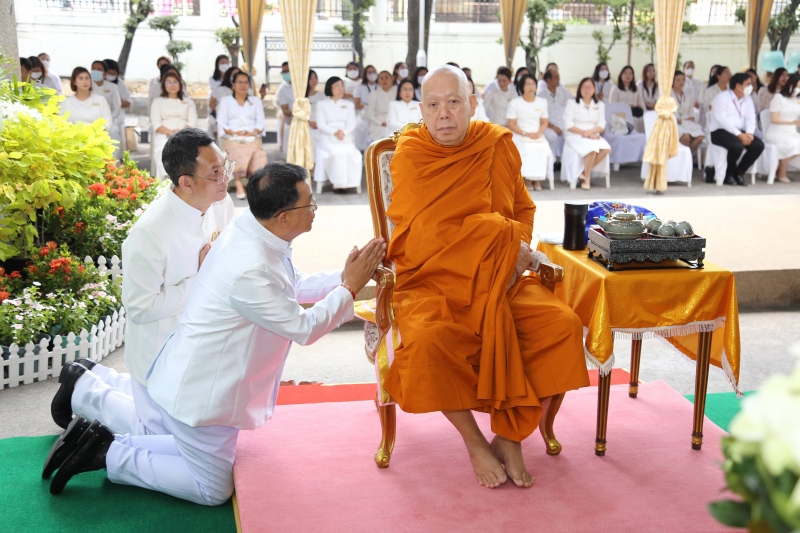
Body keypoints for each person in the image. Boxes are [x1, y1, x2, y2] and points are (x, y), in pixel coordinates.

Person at [44, 162, 386, 504]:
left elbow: (290, 286)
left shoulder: (252, 228)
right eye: (310, 204)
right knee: (212, 489)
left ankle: (92, 417)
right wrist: (350, 288)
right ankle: (106, 452)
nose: (315, 210)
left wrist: (344, 278)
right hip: (205, 391)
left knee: (166, 435)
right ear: (283, 216)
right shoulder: (251, 267)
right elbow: (303, 328)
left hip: (194, 373)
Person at [382, 65, 589, 489]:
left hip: (501, 280)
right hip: (435, 284)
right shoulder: (411, 156)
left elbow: (522, 209)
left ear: (473, 104)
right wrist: (499, 243)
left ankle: (510, 435)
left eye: (454, 102)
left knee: (561, 326)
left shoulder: (495, 145)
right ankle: (475, 442)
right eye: (434, 105)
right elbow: (423, 236)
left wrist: (512, 252)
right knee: (426, 341)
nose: (444, 115)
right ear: (421, 110)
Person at [46, 129, 235, 440]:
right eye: (215, 172)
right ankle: (83, 389)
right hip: (160, 352)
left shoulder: (220, 202)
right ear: (185, 182)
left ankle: (94, 375)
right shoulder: (150, 232)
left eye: (225, 166)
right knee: (158, 436)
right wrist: (202, 280)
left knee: (201, 426)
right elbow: (139, 308)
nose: (225, 178)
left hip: (203, 342)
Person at [218, 71, 267, 199]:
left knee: (259, 155)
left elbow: (260, 121)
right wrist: (233, 132)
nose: (243, 85)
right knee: (236, 151)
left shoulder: (255, 101)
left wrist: (254, 132)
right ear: (233, 85)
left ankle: (254, 185)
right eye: (239, 82)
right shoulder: (226, 101)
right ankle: (239, 184)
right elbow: (222, 121)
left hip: (251, 137)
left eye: (245, 82)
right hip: (233, 138)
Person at [709, 72, 763, 186]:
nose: (751, 87)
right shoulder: (722, 98)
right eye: (748, 84)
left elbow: (751, 118)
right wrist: (739, 135)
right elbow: (722, 120)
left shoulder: (747, 99)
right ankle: (729, 174)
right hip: (720, 131)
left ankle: (739, 172)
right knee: (736, 146)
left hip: (739, 132)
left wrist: (749, 133)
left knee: (758, 145)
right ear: (738, 86)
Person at [314, 77, 363, 193]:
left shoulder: (349, 105)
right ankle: (338, 183)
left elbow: (352, 123)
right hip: (327, 137)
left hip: (345, 137)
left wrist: (344, 133)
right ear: (329, 88)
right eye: (337, 86)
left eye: (342, 86)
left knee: (353, 154)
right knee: (337, 153)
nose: (340, 89)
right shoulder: (321, 104)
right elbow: (321, 124)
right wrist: (334, 132)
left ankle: (349, 183)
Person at [564, 77, 611, 190]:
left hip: (593, 135)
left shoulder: (600, 105)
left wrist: (592, 132)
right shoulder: (572, 103)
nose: (587, 90)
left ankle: (584, 173)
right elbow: (568, 124)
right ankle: (587, 179)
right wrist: (584, 133)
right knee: (592, 149)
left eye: (590, 87)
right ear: (579, 89)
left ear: (594, 90)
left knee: (606, 148)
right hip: (575, 134)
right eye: (584, 87)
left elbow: (601, 125)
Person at [151, 71, 199, 180]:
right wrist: (171, 132)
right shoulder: (158, 102)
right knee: (161, 148)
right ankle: (168, 176)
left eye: (175, 82)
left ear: (180, 84)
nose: (172, 85)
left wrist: (180, 133)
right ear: (163, 85)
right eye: (168, 82)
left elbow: (192, 121)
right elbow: (156, 123)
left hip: (185, 133)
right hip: (164, 133)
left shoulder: (188, 102)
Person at [506, 74, 550, 191]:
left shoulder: (542, 102)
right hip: (520, 133)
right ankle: (527, 179)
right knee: (527, 148)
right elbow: (511, 124)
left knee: (542, 147)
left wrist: (538, 133)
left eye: (533, 84)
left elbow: (544, 122)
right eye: (527, 84)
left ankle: (537, 180)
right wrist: (526, 133)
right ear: (522, 86)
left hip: (537, 134)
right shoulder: (515, 102)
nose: (531, 86)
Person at [765, 72, 800, 183]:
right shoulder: (778, 97)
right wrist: (791, 122)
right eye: (798, 86)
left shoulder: (797, 100)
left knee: (795, 143)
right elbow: (774, 119)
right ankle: (782, 173)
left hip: (792, 132)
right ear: (791, 85)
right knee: (791, 144)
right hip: (776, 132)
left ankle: (779, 166)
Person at [59, 67, 114, 135]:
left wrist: (96, 131)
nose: (84, 81)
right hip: (73, 140)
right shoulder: (66, 102)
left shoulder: (100, 100)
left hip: (96, 140)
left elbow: (108, 122)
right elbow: (60, 123)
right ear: (74, 82)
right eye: (81, 78)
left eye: (87, 78)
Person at [538, 68, 571, 167]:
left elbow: (575, 102)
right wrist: (553, 127)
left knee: (571, 137)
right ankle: (551, 164)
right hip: (548, 126)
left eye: (558, 76)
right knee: (551, 136)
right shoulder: (541, 96)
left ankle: (566, 164)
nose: (559, 79)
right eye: (556, 77)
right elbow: (539, 117)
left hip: (564, 125)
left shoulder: (564, 92)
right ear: (548, 80)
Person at [91, 60, 123, 158]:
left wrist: (108, 120)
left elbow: (117, 107)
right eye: (94, 68)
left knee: (114, 134)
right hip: (90, 120)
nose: (96, 71)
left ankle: (113, 165)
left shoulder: (112, 87)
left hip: (109, 120)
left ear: (105, 73)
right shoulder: (86, 85)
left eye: (99, 69)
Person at [672, 71, 705, 153]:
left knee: (700, 136)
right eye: (678, 80)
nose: (681, 82)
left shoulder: (688, 94)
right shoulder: (668, 94)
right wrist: (676, 119)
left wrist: (692, 117)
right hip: (674, 122)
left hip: (686, 121)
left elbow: (691, 111)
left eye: (683, 79)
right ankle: (686, 159)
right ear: (672, 81)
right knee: (685, 136)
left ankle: (688, 156)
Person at [104, 59, 131, 156]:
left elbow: (128, 102)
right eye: (109, 73)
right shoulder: (94, 84)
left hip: (116, 117)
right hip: (99, 117)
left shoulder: (120, 84)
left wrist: (115, 103)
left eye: (113, 73)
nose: (111, 75)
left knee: (115, 139)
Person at [610, 65, 645, 133]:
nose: (628, 76)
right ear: (621, 75)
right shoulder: (616, 89)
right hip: (622, 114)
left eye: (630, 74)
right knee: (633, 120)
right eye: (626, 73)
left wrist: (640, 109)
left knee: (642, 120)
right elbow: (613, 105)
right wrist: (627, 108)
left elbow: (641, 103)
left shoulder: (636, 89)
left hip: (635, 112)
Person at [366, 70, 398, 142]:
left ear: (391, 79)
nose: (384, 80)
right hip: (378, 124)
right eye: (381, 78)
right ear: (378, 81)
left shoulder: (397, 92)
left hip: (395, 121)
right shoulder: (374, 94)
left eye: (387, 78)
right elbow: (370, 114)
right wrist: (380, 123)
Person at [353, 65, 378, 150]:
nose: (372, 74)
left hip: (376, 116)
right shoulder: (360, 86)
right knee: (360, 139)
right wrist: (367, 106)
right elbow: (356, 104)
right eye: (369, 72)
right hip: (363, 116)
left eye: (374, 72)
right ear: (365, 74)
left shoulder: (379, 86)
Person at [307, 69, 327, 156]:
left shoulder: (322, 95)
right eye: (311, 78)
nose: (313, 81)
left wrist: (319, 123)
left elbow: (326, 112)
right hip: (306, 126)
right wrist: (309, 122)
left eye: (315, 78)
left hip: (320, 126)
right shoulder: (301, 96)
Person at [277, 62, 294, 154]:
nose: (285, 74)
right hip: (291, 122)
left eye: (287, 71)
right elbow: (285, 111)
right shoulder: (283, 89)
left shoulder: (304, 85)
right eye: (283, 72)